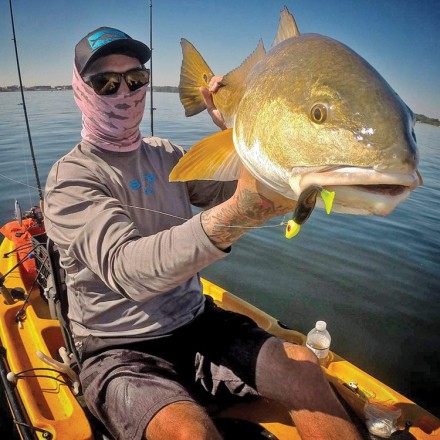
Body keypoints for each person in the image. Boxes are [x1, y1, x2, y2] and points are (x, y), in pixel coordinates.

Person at [44, 27, 361, 440]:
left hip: (197, 322)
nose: (124, 91)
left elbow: (233, 189)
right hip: (118, 346)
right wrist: (240, 213)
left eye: (135, 78)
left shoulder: (167, 154)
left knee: (303, 370)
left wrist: (242, 133)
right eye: (105, 81)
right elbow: (128, 270)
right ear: (81, 91)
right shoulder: (70, 178)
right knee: (188, 433)